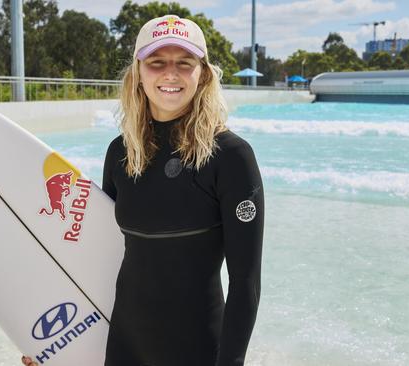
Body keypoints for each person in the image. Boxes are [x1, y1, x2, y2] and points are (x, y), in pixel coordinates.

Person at [23, 14, 264, 366]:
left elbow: (246, 283)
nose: (171, 73)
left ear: (204, 73)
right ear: (138, 72)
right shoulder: (120, 153)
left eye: (184, 63)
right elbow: (102, 260)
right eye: (157, 62)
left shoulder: (230, 157)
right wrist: (58, 348)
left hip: (198, 351)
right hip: (124, 349)